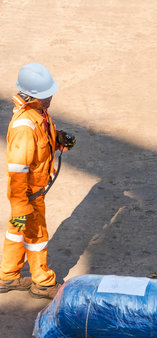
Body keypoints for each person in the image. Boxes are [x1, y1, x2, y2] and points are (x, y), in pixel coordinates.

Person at [0, 63, 76, 298]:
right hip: (28, 196)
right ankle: (42, 282)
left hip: (29, 195)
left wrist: (57, 138)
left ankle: (8, 275)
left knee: (17, 231)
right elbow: (18, 170)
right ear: (31, 95)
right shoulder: (24, 126)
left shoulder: (38, 113)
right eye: (46, 95)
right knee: (37, 236)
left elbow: (41, 140)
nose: (50, 98)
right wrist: (21, 205)